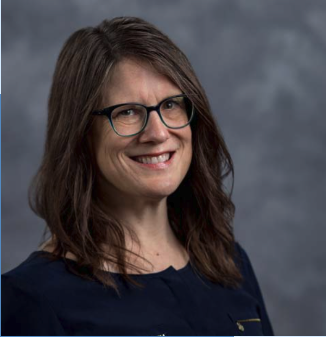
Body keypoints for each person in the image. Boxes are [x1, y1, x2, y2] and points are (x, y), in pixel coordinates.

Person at [1, 17, 274, 336]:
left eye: (171, 104)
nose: (158, 133)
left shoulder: (229, 263)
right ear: (80, 135)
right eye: (127, 112)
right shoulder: (30, 298)